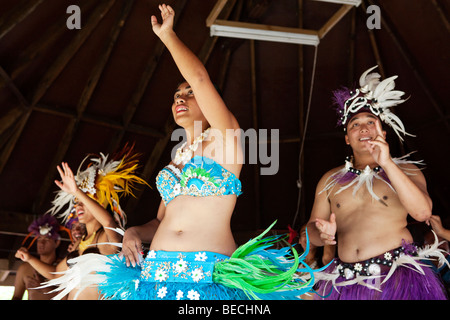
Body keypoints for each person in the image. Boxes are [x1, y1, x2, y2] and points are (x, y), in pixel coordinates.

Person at [41, 4, 317, 300]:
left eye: (189, 94)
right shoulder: (177, 158)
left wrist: (168, 36)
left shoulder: (227, 138)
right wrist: (134, 232)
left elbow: (199, 77)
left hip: (208, 275)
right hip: (155, 276)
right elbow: (160, 221)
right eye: (176, 95)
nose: (181, 98)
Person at [307, 66, 448, 300]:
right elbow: (311, 229)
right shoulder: (330, 180)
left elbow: (423, 212)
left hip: (398, 281)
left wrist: (388, 163)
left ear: (382, 130)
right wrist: (323, 235)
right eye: (354, 124)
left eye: (370, 122)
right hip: (346, 282)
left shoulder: (406, 170)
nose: (363, 128)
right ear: (346, 137)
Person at [35, 147, 148, 299]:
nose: (78, 206)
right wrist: (28, 258)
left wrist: (77, 192)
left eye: (83, 201)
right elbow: (55, 274)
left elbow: (107, 220)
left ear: (99, 204)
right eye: (76, 202)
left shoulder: (107, 237)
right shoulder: (79, 243)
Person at [13, 215, 63, 300]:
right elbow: (17, 297)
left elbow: (70, 297)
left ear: (57, 242)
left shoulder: (63, 267)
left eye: (47, 239)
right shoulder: (25, 268)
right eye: (39, 238)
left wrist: (44, 288)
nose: (41, 243)